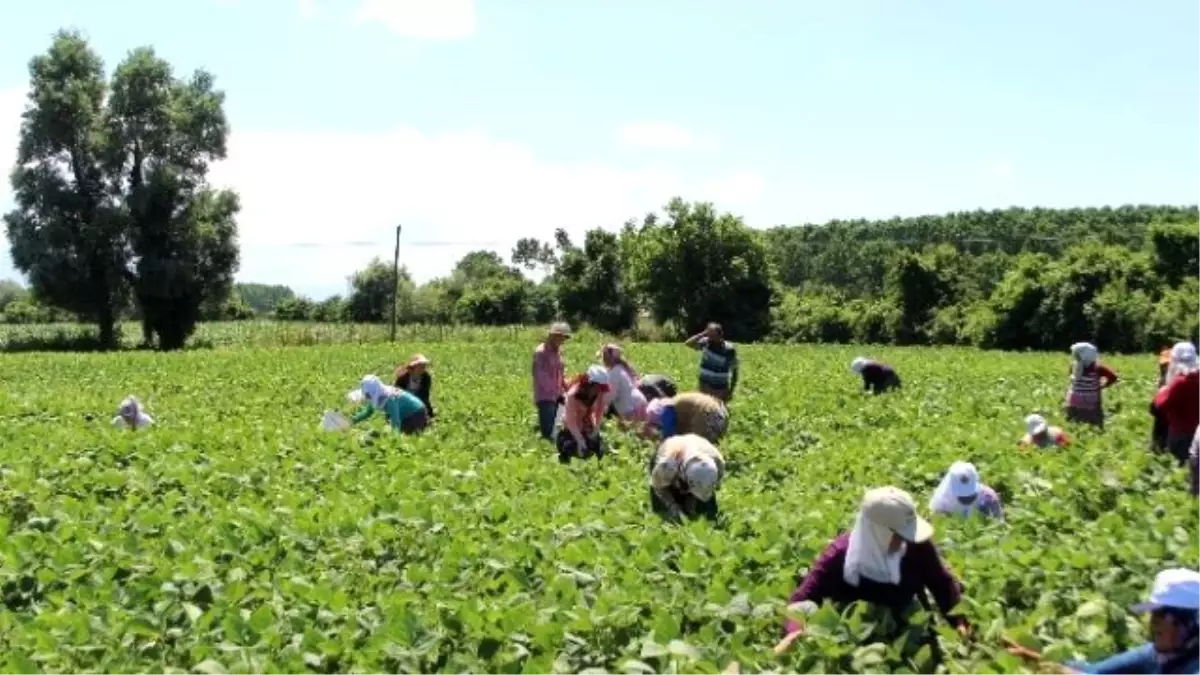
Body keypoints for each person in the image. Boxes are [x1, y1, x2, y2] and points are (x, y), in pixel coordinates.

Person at [774, 486, 968, 655]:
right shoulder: (840, 556)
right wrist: (794, 632)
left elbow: (940, 582)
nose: (906, 540)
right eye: (900, 534)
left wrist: (958, 622)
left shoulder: (916, 545)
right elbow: (801, 601)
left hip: (904, 621)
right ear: (878, 532)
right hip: (853, 633)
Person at [1005, 567, 1200, 674]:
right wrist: (1030, 657)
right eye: (1153, 613)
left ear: (1189, 623)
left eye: (1162, 615)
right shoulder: (1155, 655)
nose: (1153, 622)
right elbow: (1093, 671)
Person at [649, 433, 725, 522]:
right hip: (669, 455)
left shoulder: (718, 462)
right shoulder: (666, 467)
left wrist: (693, 499)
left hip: (698, 444)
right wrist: (672, 505)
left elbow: (714, 485)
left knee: (706, 511)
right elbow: (658, 487)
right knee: (665, 510)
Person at [1154, 345, 1200, 465]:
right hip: (1197, 432)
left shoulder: (1180, 382)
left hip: (1181, 434)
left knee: (1179, 468)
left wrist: (1162, 391)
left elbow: (1161, 406)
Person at [557, 365, 610, 463]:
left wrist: (596, 430)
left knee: (598, 451)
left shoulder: (599, 393)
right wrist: (580, 440)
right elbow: (570, 421)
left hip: (588, 426)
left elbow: (599, 410)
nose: (599, 390)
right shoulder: (572, 396)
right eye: (597, 387)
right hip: (572, 430)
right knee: (570, 449)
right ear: (589, 384)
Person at [350, 374, 429, 434]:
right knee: (380, 433)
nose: (367, 397)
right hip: (405, 415)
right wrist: (351, 421)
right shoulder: (376, 395)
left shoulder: (390, 398)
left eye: (368, 395)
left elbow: (396, 422)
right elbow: (368, 412)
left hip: (417, 414)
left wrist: (394, 440)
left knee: (395, 433)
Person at [641, 391, 728, 444]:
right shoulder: (676, 404)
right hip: (721, 413)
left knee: (695, 446)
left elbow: (670, 437)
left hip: (705, 415)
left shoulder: (666, 409)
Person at [1064, 342, 1118, 428]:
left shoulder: (1073, 366)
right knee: (1095, 425)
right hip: (1092, 403)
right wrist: (1103, 386)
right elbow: (1114, 377)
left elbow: (1072, 382)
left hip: (1073, 401)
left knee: (1074, 424)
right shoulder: (1098, 367)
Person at [533, 322, 571, 441]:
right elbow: (541, 376)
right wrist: (555, 393)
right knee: (548, 433)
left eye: (564, 337)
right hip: (546, 397)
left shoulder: (558, 352)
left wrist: (567, 388)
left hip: (557, 395)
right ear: (552, 336)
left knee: (558, 430)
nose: (562, 340)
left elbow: (561, 373)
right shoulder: (541, 352)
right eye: (560, 336)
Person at [928, 461, 1004, 520]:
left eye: (970, 495)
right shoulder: (942, 503)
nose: (966, 498)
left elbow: (998, 524)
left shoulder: (988, 497)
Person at [684, 323, 738, 402]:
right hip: (704, 386)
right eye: (709, 335)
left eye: (713, 335)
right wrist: (702, 334)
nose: (710, 338)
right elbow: (688, 343)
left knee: (719, 411)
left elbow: (735, 371)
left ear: (720, 335)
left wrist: (731, 390)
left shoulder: (729, 349)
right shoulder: (706, 342)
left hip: (720, 388)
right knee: (703, 410)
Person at [598, 343, 648, 423]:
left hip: (631, 409)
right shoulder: (622, 368)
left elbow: (610, 396)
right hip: (640, 403)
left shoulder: (614, 373)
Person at [394, 353, 435, 419]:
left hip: (419, 402)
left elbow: (424, 396)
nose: (423, 369)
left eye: (424, 366)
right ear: (412, 368)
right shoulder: (402, 378)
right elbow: (397, 394)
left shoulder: (426, 377)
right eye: (420, 366)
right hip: (404, 401)